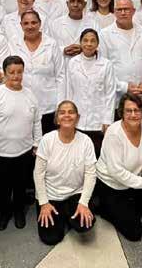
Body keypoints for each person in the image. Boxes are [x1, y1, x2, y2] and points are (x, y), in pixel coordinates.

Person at [0, 56, 41, 230]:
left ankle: (19, 211)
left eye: (19, 72)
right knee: (2, 186)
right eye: (12, 72)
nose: (16, 76)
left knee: (21, 185)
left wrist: (37, 143)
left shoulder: (30, 95)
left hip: (24, 151)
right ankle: (4, 212)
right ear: (5, 73)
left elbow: (36, 121)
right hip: (0, 151)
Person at [96, 93, 142, 240]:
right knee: (135, 233)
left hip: (133, 181)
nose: (133, 114)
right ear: (121, 113)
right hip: (112, 185)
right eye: (128, 110)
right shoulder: (114, 133)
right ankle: (105, 208)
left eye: (137, 110)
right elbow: (116, 172)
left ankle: (135, 210)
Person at [34, 100, 96, 245]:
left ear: (77, 118)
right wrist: (43, 203)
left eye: (71, 112)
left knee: (83, 225)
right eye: (62, 113)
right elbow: (38, 174)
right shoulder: (47, 140)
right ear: (57, 119)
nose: (67, 115)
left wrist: (83, 203)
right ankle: (63, 215)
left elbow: (90, 174)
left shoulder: (86, 141)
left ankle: (69, 213)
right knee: (51, 238)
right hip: (51, 195)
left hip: (75, 193)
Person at [7, 10, 65, 135]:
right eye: (26, 23)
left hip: (47, 107)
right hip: (20, 105)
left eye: (34, 22)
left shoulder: (51, 44)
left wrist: (60, 106)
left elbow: (61, 76)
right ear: (21, 25)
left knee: (46, 142)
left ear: (40, 23)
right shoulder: (14, 43)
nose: (30, 26)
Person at [65, 29, 115, 155]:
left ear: (97, 44)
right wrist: (68, 115)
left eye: (93, 41)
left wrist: (107, 120)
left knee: (96, 154)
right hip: (78, 119)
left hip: (98, 120)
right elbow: (69, 91)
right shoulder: (73, 62)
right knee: (77, 155)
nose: (89, 44)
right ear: (80, 43)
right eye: (85, 40)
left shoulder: (106, 64)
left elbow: (110, 94)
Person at [99, 0, 142, 107]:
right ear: (114, 12)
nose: (123, 13)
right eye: (119, 10)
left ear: (133, 11)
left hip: (141, 95)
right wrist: (124, 87)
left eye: (126, 9)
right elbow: (103, 68)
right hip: (116, 97)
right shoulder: (104, 34)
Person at [50, 0, 97, 65]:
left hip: (86, 66)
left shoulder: (93, 24)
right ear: (67, 4)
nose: (75, 4)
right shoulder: (56, 24)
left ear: (84, 4)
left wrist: (84, 49)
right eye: (72, 1)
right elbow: (50, 47)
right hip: (62, 65)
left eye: (79, 1)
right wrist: (63, 50)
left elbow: (99, 47)